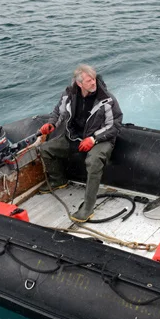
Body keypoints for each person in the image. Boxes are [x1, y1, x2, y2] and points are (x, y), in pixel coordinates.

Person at [37, 64, 123, 222]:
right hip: (74, 137)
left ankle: (88, 207)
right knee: (45, 149)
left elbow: (115, 125)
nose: (93, 83)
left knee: (93, 161)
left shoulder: (107, 99)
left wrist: (93, 139)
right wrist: (52, 123)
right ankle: (58, 180)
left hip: (101, 139)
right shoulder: (69, 94)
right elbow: (59, 111)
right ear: (79, 83)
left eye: (94, 79)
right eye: (89, 80)